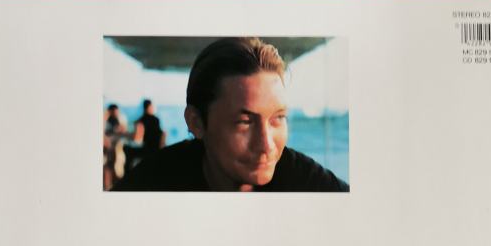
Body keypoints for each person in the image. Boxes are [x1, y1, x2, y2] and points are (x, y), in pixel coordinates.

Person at [114, 37, 348, 192]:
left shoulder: (309, 184)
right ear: (196, 123)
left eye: (278, 118)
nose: (267, 146)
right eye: (245, 122)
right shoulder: (150, 184)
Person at [123, 99, 166, 170]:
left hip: (148, 150)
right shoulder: (156, 119)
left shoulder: (142, 120)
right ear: (150, 107)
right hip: (156, 149)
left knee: (126, 149)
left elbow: (137, 138)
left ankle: (128, 174)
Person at [103, 104, 128, 190]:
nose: (116, 114)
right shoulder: (105, 121)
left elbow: (124, 130)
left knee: (117, 171)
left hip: (117, 150)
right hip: (109, 151)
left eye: (117, 112)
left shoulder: (120, 120)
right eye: (113, 112)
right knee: (109, 169)